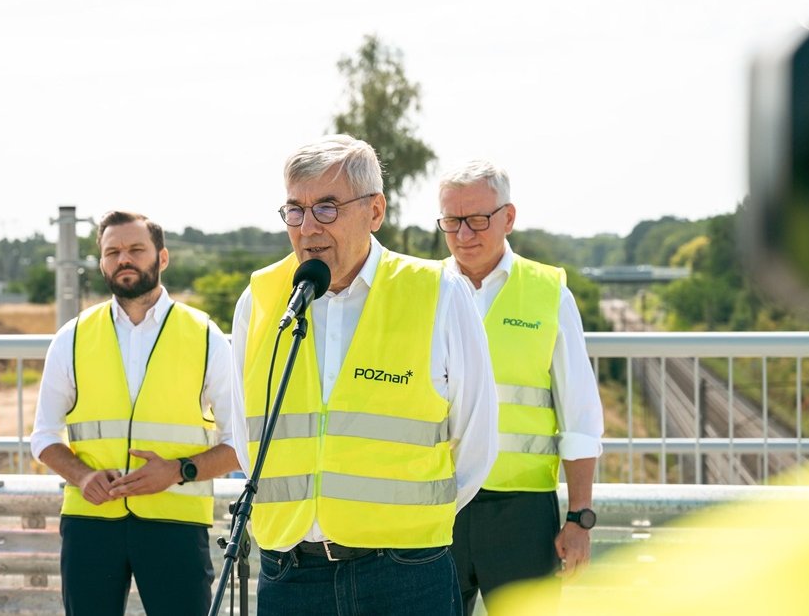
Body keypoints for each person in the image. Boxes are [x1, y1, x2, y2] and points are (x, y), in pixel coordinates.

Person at [231, 135, 499, 615]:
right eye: (295, 210)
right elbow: (241, 434)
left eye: (327, 208)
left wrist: (403, 531)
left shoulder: (438, 294)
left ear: (375, 211)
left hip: (405, 574)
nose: (308, 227)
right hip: (289, 573)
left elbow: (477, 441)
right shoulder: (260, 299)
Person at [30, 210, 245, 616]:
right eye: (112, 252)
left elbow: (240, 442)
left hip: (175, 523)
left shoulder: (205, 336)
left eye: (135, 249)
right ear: (101, 263)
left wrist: (178, 470)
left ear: (161, 258)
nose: (123, 259)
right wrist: (82, 475)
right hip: (91, 523)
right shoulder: (71, 338)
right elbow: (43, 437)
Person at [437, 160, 604, 615]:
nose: (463, 234)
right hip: (435, 505)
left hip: (522, 513)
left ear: (508, 218)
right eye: (451, 221)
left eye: (477, 220)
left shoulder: (550, 292)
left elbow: (581, 416)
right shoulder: (423, 290)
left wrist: (579, 519)